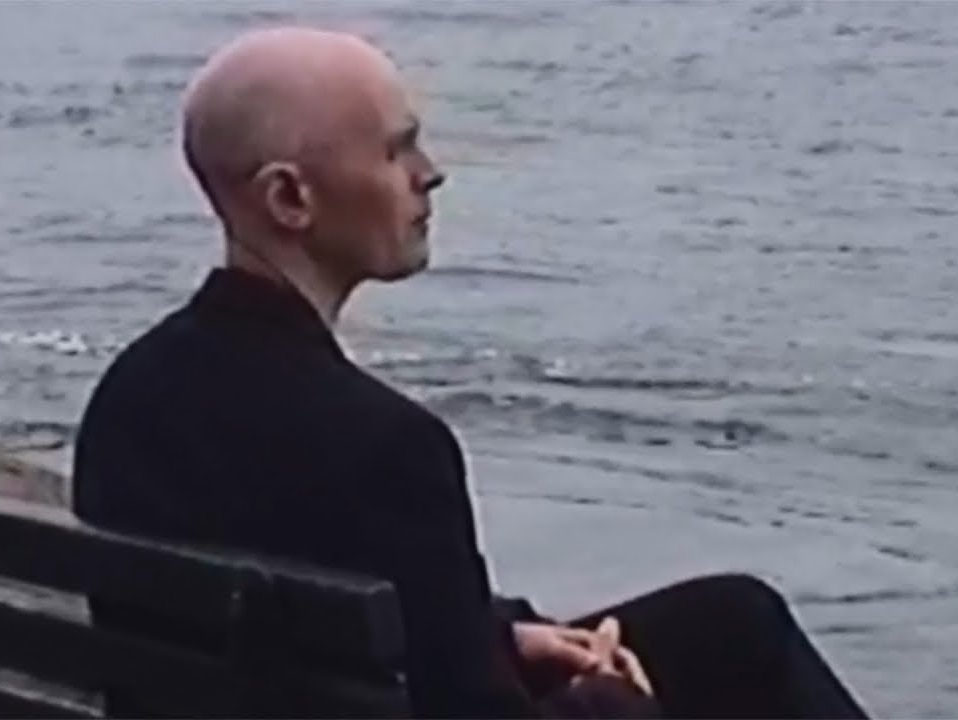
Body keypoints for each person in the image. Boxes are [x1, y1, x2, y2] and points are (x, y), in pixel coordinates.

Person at [72, 26, 871, 719]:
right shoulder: (389, 448)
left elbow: (317, 604)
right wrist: (615, 702)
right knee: (726, 653)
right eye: (396, 149)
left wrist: (502, 635)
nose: (430, 172)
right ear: (290, 198)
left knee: (733, 623)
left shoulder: (132, 394)